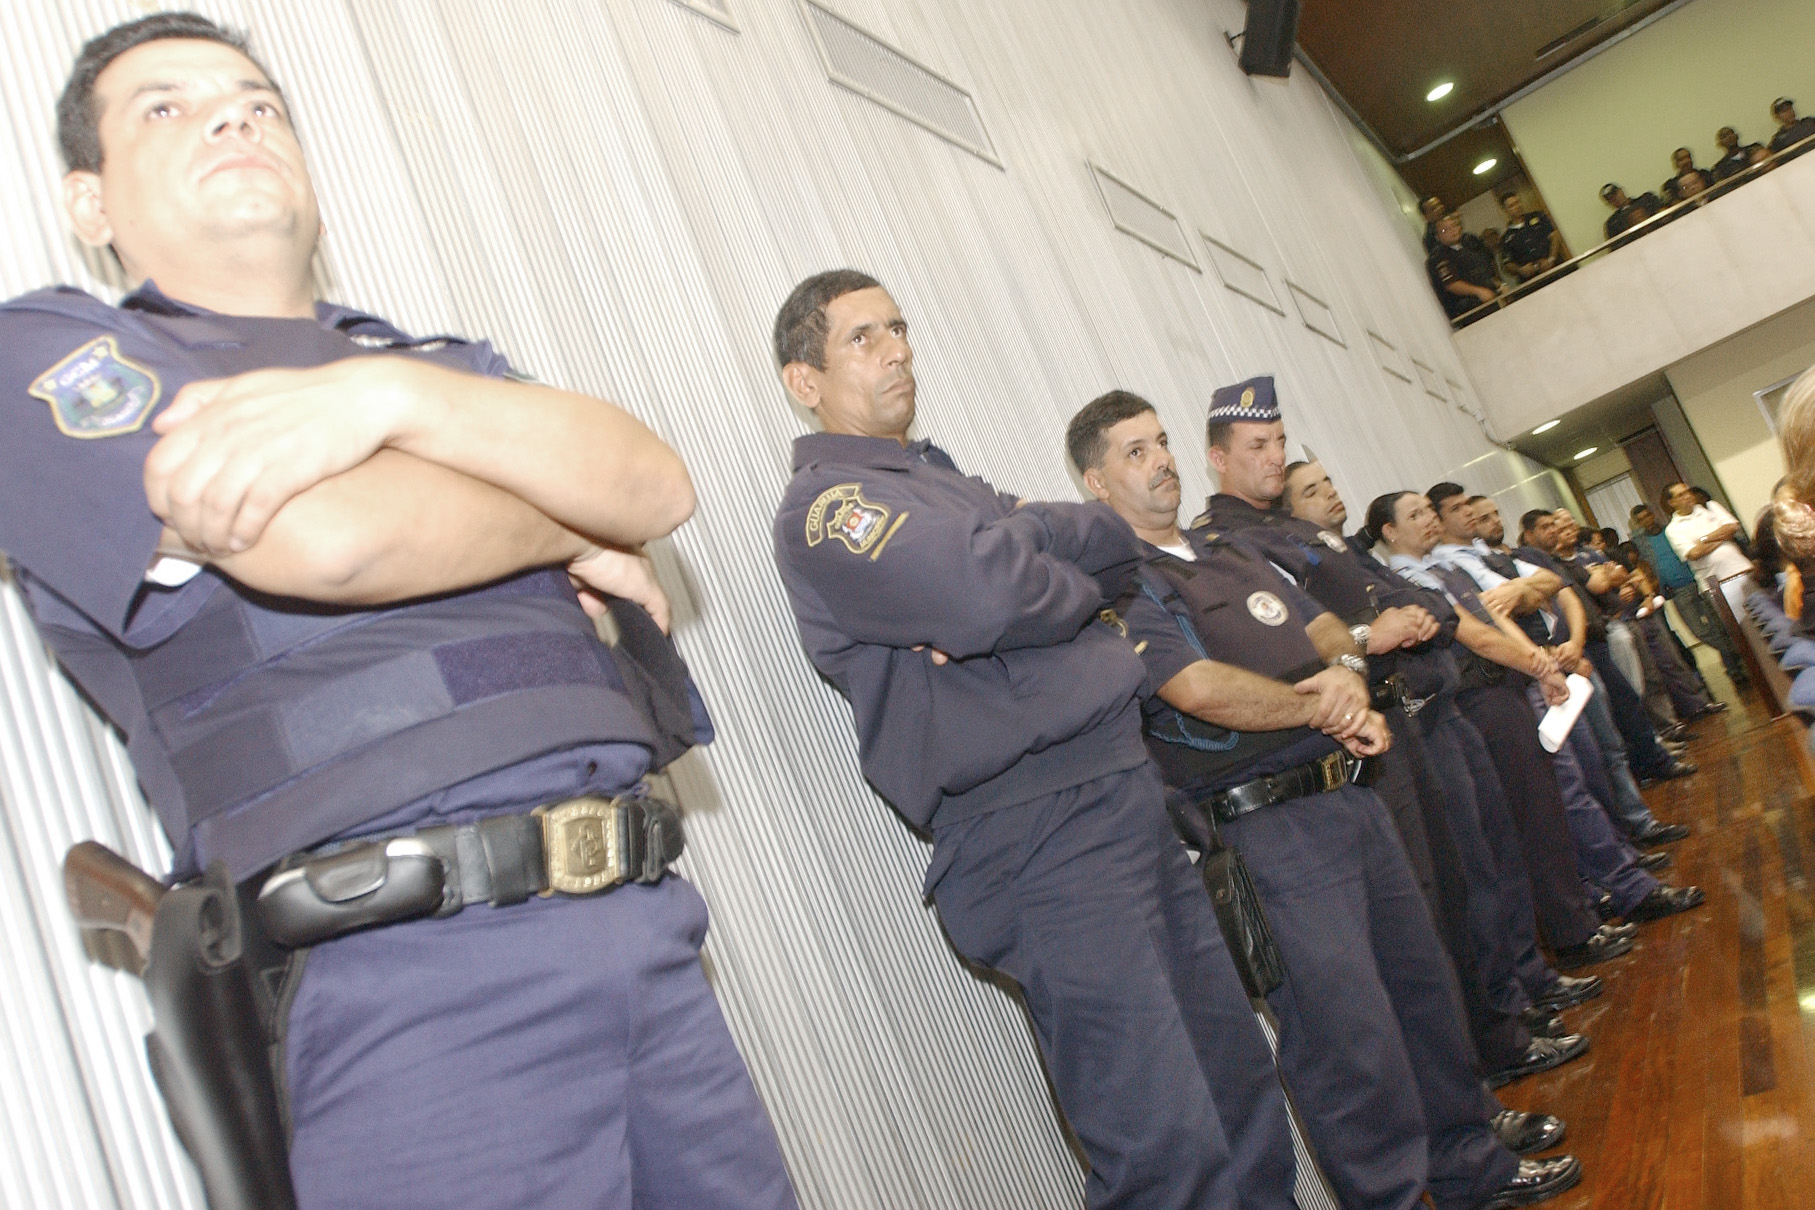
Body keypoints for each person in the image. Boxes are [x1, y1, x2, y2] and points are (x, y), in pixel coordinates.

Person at [0, 13, 799, 1210]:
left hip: (645, 934)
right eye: (164, 107)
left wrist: (385, 396)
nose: (232, 116)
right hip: (405, 974)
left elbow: (653, 482)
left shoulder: (429, 362)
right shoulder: (63, 352)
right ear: (90, 203)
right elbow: (324, 540)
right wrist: (562, 522)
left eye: (257, 101)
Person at [769, 271, 1297, 1210]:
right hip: (1036, 834)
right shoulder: (828, 509)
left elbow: (1103, 538)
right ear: (801, 380)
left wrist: (1022, 562)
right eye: (861, 339)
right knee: (1165, 1145)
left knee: (1237, 1091)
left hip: (1127, 797)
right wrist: (1036, 574)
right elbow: (987, 595)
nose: (895, 349)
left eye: (898, 328)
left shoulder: (942, 482)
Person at [1070, 388, 1580, 1210]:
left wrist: (1342, 682)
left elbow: (1327, 631)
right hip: (1266, 832)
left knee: (1421, 996)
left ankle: (1468, 1169)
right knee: (1348, 1043)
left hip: (1348, 797)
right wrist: (1319, 703)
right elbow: (1193, 687)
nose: (1158, 459)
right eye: (1133, 452)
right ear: (1095, 483)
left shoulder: (1226, 554)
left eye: (1160, 441)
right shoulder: (1122, 586)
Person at [1216, 439, 1601, 1093]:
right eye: (1309, 491)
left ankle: (1514, 1007)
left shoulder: (1350, 561)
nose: (1328, 495)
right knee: (1446, 899)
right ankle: (1491, 1045)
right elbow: (1312, 649)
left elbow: (1446, 618)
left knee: (1484, 866)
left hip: (1431, 715)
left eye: (1327, 480)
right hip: (1387, 730)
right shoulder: (1281, 573)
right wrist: (1375, 634)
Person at [1378, 496, 1704, 927]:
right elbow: (1477, 633)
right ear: (1389, 532)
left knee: (1579, 781)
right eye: (1416, 515)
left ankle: (1618, 880)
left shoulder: (1447, 568)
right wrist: (1538, 663)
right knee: (1562, 793)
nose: (1430, 519)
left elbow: (1511, 611)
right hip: (1489, 694)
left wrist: (1539, 661)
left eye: (1428, 510)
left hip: (1523, 676)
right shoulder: (1405, 580)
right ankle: (1620, 890)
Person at [1629, 502, 1748, 687]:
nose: (1646, 521)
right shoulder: (1641, 543)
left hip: (1699, 580)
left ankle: (1734, 669)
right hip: (1677, 591)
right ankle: (1738, 650)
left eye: (1647, 515)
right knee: (1700, 631)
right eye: (1641, 519)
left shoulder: (1673, 531)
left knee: (1720, 624)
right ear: (1637, 523)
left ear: (1653, 514)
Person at [1663, 481, 1756, 616]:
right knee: (1744, 628)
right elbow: (1694, 553)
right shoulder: (1673, 528)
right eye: (1681, 495)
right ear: (1672, 503)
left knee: (1768, 615)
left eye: (1687, 492)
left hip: (1744, 570)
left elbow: (1732, 527)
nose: (1687, 496)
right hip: (1718, 584)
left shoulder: (1709, 507)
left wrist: (1703, 540)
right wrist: (1722, 536)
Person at [1427, 214, 1502, 324]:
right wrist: (1479, 292)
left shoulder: (1469, 246)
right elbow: (1451, 284)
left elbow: (1483, 272)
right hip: (1469, 311)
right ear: (1437, 236)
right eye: (1445, 230)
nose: (1452, 231)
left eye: (1454, 226)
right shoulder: (1439, 257)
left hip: (1491, 302)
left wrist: (1499, 286)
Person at [1498, 193, 1563, 284]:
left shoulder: (1538, 216)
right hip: (1533, 280)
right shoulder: (1506, 238)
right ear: (1506, 210)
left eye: (1518, 202)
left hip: (1556, 269)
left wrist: (1551, 259)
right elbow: (1508, 263)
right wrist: (1520, 270)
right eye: (1512, 206)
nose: (1517, 206)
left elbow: (1555, 236)